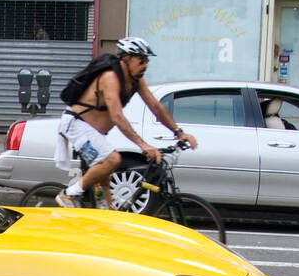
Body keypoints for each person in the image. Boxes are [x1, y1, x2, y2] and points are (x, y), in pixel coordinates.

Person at [56, 37, 198, 209]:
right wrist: (143, 145)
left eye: (147, 61)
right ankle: (68, 194)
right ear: (126, 59)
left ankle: (105, 216)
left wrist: (179, 132)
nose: (145, 65)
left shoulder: (135, 81)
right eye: (141, 61)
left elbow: (155, 107)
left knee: (104, 177)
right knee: (112, 160)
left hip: (93, 131)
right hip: (76, 125)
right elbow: (117, 116)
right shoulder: (110, 78)